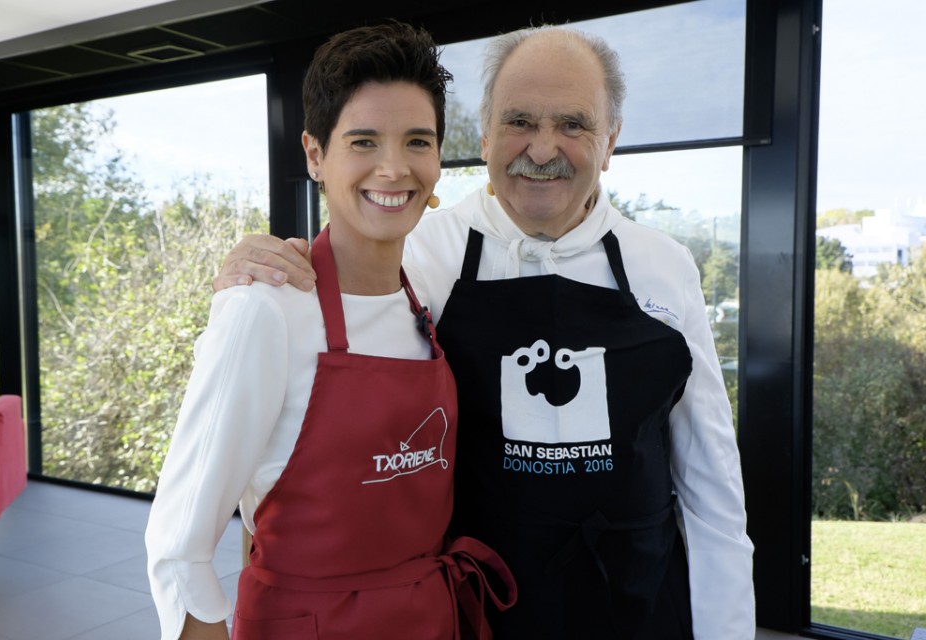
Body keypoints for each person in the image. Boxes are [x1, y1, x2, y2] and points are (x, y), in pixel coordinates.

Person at [213, 23, 756, 640]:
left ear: (611, 142)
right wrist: (258, 272)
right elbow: (303, 412)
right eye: (520, 121)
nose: (544, 149)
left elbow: (713, 489)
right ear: (486, 132)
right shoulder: (418, 253)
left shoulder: (665, 264)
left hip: (634, 603)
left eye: (574, 125)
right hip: (475, 611)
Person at [145, 21, 516, 640]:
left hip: (427, 618)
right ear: (316, 155)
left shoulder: (429, 294)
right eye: (364, 142)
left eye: (417, 142)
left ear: (439, 159)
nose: (394, 168)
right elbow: (179, 546)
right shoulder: (266, 309)